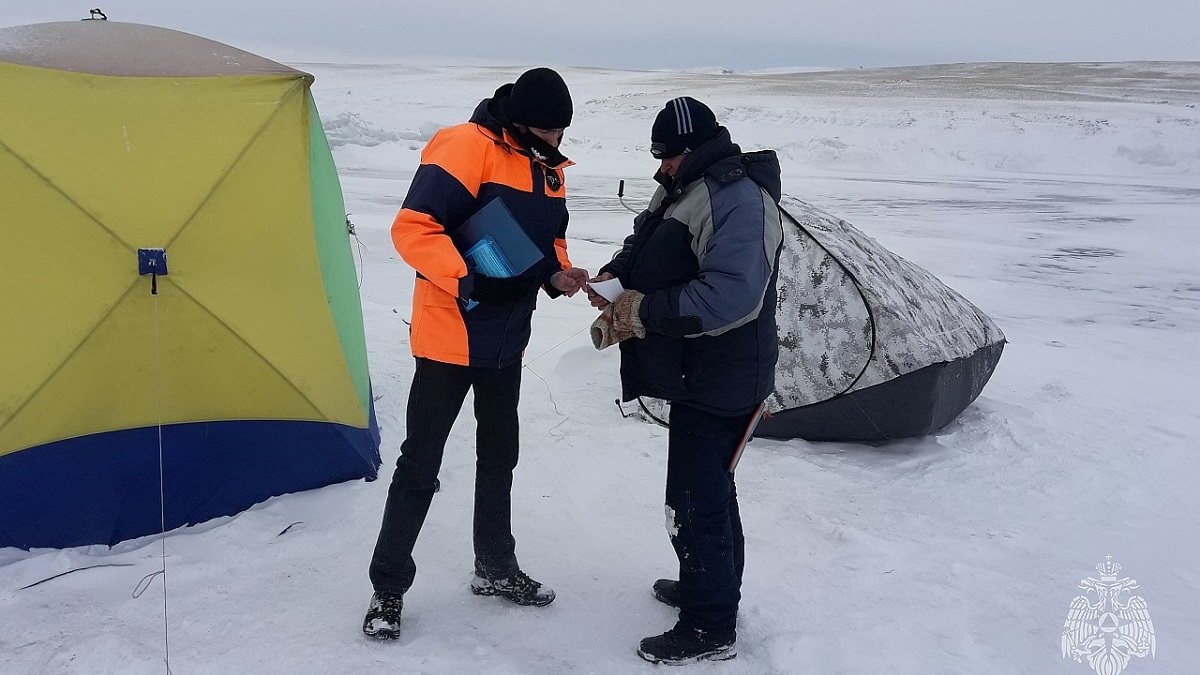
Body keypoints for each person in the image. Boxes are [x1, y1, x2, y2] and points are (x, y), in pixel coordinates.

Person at [364, 67, 590, 640]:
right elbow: (413, 228)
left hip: (507, 338)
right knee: (421, 463)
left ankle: (494, 566)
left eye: (562, 132)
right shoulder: (464, 145)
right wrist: (468, 279)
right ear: (520, 122)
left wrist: (558, 273)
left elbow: (548, 239)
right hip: (450, 335)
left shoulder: (550, 169)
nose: (557, 142)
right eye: (549, 131)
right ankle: (387, 589)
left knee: (499, 456)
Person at [587, 97, 783, 664]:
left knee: (698, 499)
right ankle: (708, 589)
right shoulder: (681, 186)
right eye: (658, 157)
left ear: (696, 149)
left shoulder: (738, 198)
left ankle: (709, 626)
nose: (663, 166)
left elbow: (733, 296)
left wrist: (642, 310)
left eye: (670, 156)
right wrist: (615, 278)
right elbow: (646, 242)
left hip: (726, 372)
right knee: (705, 491)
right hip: (696, 371)